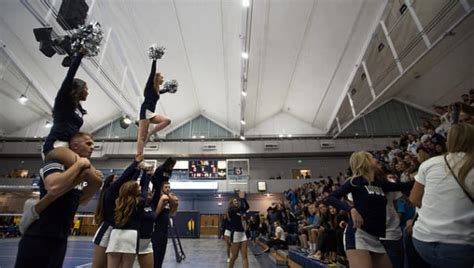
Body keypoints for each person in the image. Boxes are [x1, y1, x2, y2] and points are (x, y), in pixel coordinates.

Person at [19, 50, 102, 234]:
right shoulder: (63, 101)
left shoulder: (79, 109)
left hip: (69, 147)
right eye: (86, 88)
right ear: (78, 89)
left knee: (96, 180)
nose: (88, 91)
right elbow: (69, 77)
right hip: (56, 145)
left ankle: (42, 207)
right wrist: (80, 55)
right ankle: (32, 213)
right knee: (85, 167)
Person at [15, 132, 99, 268]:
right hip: (39, 235)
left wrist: (94, 182)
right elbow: (53, 186)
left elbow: (81, 201)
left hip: (60, 238)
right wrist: (79, 165)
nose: (92, 147)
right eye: (88, 143)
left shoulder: (80, 174)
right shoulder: (54, 162)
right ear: (75, 146)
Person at [327, 151, 413, 268]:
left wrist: (423, 176)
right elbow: (331, 198)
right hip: (359, 234)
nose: (376, 159)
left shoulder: (380, 183)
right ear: (365, 161)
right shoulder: (355, 181)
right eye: (372, 157)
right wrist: (351, 209)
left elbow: (404, 186)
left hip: (375, 236)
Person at [409, 124, 474, 268]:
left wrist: (437, 210)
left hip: (422, 240)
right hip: (460, 247)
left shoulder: (430, 163)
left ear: (448, 141)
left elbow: (414, 199)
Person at [91, 156, 144, 268]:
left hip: (117, 231)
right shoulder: (110, 192)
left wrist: (139, 169)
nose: (119, 179)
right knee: (99, 265)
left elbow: (130, 182)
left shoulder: (121, 195)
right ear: (111, 183)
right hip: (107, 229)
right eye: (116, 179)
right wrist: (136, 163)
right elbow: (125, 177)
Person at [106, 169, 152, 268]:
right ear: (135, 191)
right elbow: (145, 187)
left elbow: (128, 185)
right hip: (131, 235)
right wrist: (146, 173)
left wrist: (137, 170)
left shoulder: (118, 200)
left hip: (116, 234)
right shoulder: (140, 202)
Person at [136, 59, 171, 156]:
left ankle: (150, 133)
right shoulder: (150, 85)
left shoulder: (156, 89)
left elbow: (161, 92)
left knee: (167, 120)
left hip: (151, 112)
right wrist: (154, 60)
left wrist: (168, 89)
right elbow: (152, 71)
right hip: (145, 111)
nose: (163, 80)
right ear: (156, 77)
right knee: (141, 138)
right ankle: (139, 157)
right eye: (162, 77)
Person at [152, 180, 179, 268]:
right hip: (156, 231)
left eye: (169, 187)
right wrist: (164, 198)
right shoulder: (159, 198)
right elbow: (155, 214)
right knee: (156, 255)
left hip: (164, 231)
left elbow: (175, 203)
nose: (168, 189)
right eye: (166, 187)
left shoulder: (168, 199)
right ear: (161, 188)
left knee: (161, 255)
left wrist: (169, 197)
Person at [227, 191, 250, 268]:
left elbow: (247, 207)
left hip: (242, 234)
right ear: (231, 203)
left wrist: (244, 199)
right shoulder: (231, 210)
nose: (236, 202)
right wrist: (241, 198)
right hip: (235, 234)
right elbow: (241, 208)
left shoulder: (238, 210)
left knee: (245, 256)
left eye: (237, 201)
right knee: (235, 256)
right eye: (234, 201)